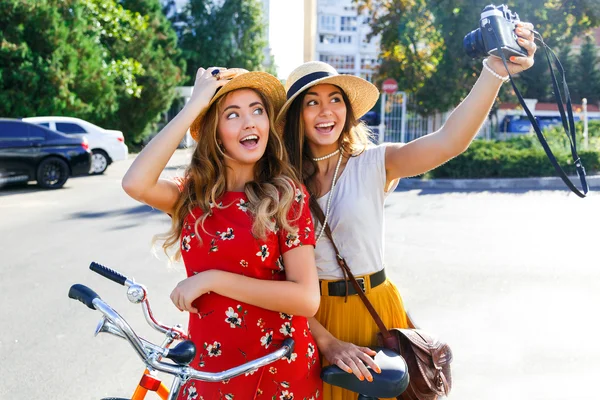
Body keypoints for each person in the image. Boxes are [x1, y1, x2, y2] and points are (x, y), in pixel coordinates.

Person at [277, 22, 537, 400]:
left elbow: (449, 141)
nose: (325, 111)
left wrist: (494, 72)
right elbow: (279, 278)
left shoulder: (373, 163)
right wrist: (327, 341)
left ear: (347, 110)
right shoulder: (279, 183)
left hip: (377, 308)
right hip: (313, 319)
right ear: (296, 116)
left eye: (335, 99)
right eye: (311, 102)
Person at [122, 67, 322, 400]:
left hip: (276, 372)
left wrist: (211, 279)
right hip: (207, 371)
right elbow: (134, 183)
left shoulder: (287, 194)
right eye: (233, 114)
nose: (250, 122)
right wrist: (192, 108)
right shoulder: (193, 196)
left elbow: (306, 298)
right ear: (215, 132)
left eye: (257, 110)